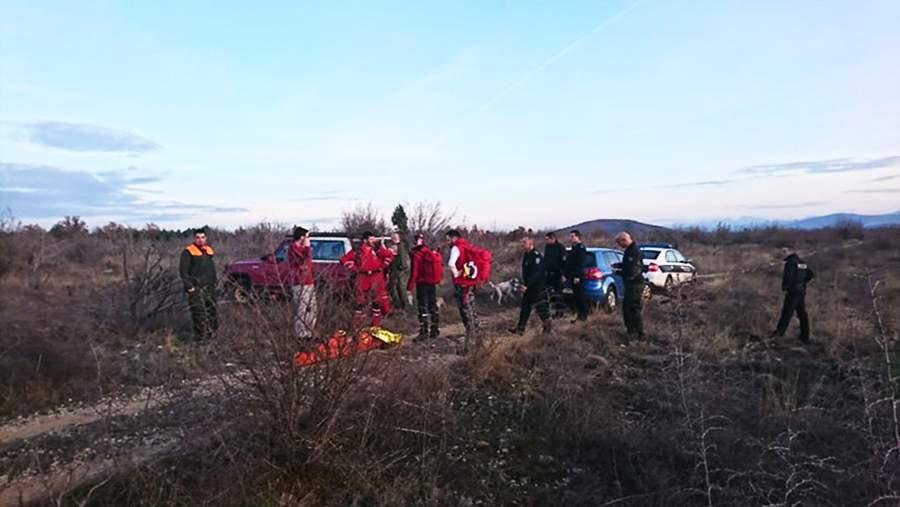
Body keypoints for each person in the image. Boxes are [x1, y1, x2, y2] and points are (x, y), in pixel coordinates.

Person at [341, 232, 395, 328]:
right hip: (362, 277)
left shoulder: (377, 249)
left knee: (377, 301)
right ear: (365, 240)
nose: (373, 241)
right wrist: (355, 268)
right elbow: (344, 259)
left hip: (376, 277)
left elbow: (389, 256)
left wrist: (382, 266)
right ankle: (358, 326)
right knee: (360, 302)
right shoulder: (358, 251)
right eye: (371, 239)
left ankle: (376, 325)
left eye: (374, 239)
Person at [179, 228, 218, 341]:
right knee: (198, 313)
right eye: (198, 237)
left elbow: (212, 269)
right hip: (196, 289)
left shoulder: (209, 250)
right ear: (194, 239)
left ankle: (213, 336)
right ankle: (200, 339)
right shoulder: (188, 251)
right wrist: (189, 287)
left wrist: (215, 283)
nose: (200, 240)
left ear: (205, 238)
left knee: (212, 312)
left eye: (202, 237)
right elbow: (183, 271)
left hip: (210, 288)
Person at [770, 245, 815, 343]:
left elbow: (788, 277)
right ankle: (805, 336)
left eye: (784, 251)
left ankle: (778, 334)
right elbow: (811, 275)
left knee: (787, 313)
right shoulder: (801, 262)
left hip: (793, 291)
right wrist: (802, 283)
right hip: (801, 291)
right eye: (782, 251)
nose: (783, 253)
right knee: (802, 313)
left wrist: (786, 287)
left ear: (791, 251)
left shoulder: (790, 262)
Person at [509, 236, 552, 335]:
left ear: (531, 242)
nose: (523, 245)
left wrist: (527, 285)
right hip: (528, 287)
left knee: (541, 308)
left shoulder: (536, 256)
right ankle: (520, 328)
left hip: (537, 287)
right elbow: (526, 272)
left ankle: (547, 329)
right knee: (525, 308)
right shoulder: (526, 255)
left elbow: (535, 273)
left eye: (525, 242)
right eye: (522, 243)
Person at [447, 229, 479, 348]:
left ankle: (469, 344)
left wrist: (456, 273)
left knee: (465, 312)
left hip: (461, 285)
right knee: (472, 311)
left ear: (454, 237)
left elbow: (451, 263)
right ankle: (476, 339)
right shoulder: (466, 246)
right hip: (470, 283)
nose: (449, 241)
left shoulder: (456, 248)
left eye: (449, 238)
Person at [407, 233, 442, 340]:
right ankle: (435, 329)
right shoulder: (429, 252)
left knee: (422, 307)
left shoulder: (417, 254)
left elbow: (414, 272)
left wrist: (409, 288)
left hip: (422, 283)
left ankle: (424, 331)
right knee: (432, 305)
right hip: (432, 283)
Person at [288, 226, 316, 339]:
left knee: (312, 308)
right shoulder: (293, 249)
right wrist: (307, 248)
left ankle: (309, 331)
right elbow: (302, 263)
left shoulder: (304, 249)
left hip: (309, 282)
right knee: (301, 308)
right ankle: (300, 334)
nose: (309, 239)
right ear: (302, 237)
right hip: (299, 282)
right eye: (307, 237)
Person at [615, 232, 645, 340]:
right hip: (631, 284)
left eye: (619, 243)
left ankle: (637, 333)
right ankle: (632, 331)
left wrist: (620, 273)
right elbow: (628, 265)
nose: (619, 246)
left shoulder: (634, 251)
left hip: (635, 284)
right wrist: (619, 266)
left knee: (632, 308)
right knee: (628, 308)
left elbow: (633, 271)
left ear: (624, 240)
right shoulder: (629, 250)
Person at [563, 229, 589, 322]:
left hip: (578, 276)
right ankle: (579, 315)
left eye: (572, 236)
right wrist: (565, 275)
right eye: (570, 236)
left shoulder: (580, 248)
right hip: (572, 275)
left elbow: (580, 264)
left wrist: (577, 276)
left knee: (580, 296)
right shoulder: (573, 248)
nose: (571, 238)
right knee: (576, 297)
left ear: (578, 237)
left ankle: (583, 315)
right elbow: (569, 264)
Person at [543, 232, 566, 318]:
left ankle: (560, 312)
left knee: (558, 294)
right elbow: (545, 259)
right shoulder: (547, 247)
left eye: (547, 239)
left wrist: (563, 274)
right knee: (548, 293)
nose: (546, 241)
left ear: (553, 238)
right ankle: (549, 311)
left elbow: (564, 262)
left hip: (558, 274)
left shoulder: (560, 247)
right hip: (548, 274)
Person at [387, 231, 410, 310]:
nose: (393, 238)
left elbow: (402, 259)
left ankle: (400, 305)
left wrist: (401, 267)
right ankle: (401, 305)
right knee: (397, 287)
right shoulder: (398, 246)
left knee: (397, 287)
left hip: (398, 270)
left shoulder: (399, 247)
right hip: (396, 269)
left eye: (395, 237)